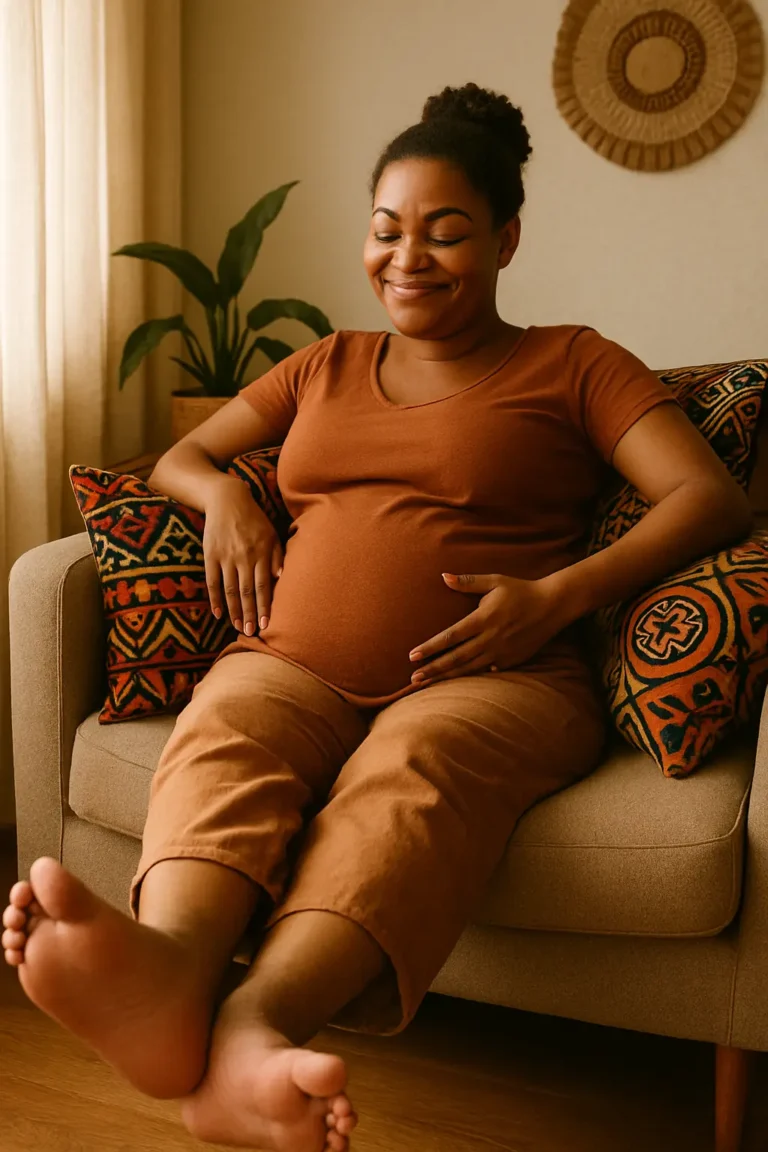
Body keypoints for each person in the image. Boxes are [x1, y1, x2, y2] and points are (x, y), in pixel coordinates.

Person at [3, 83, 752, 1152]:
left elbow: (709, 499)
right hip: (291, 661)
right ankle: (169, 974)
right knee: (225, 733)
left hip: (495, 679)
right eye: (387, 228)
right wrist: (228, 502)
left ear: (506, 239)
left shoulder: (574, 362)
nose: (409, 256)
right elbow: (184, 456)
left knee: (411, 773)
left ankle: (259, 1026)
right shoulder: (327, 362)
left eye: (446, 232)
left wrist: (559, 595)